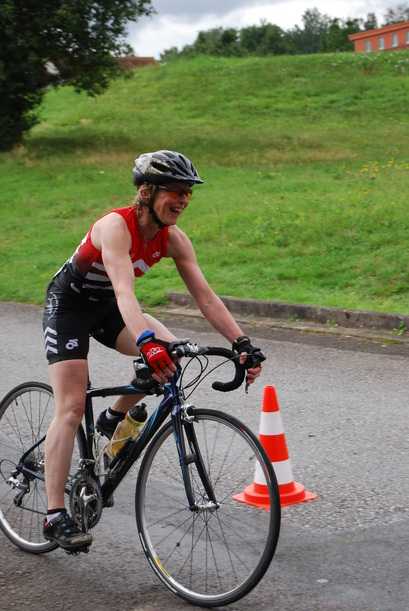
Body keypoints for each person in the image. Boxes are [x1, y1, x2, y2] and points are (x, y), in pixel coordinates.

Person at [42, 150, 264, 552]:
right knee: (71, 407)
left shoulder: (173, 239)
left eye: (188, 193)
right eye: (175, 191)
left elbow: (205, 297)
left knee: (172, 355)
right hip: (70, 307)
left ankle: (112, 419)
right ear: (146, 192)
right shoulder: (116, 226)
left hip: (109, 309)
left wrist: (242, 343)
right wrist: (146, 343)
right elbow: (125, 291)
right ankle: (55, 514)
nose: (183, 199)